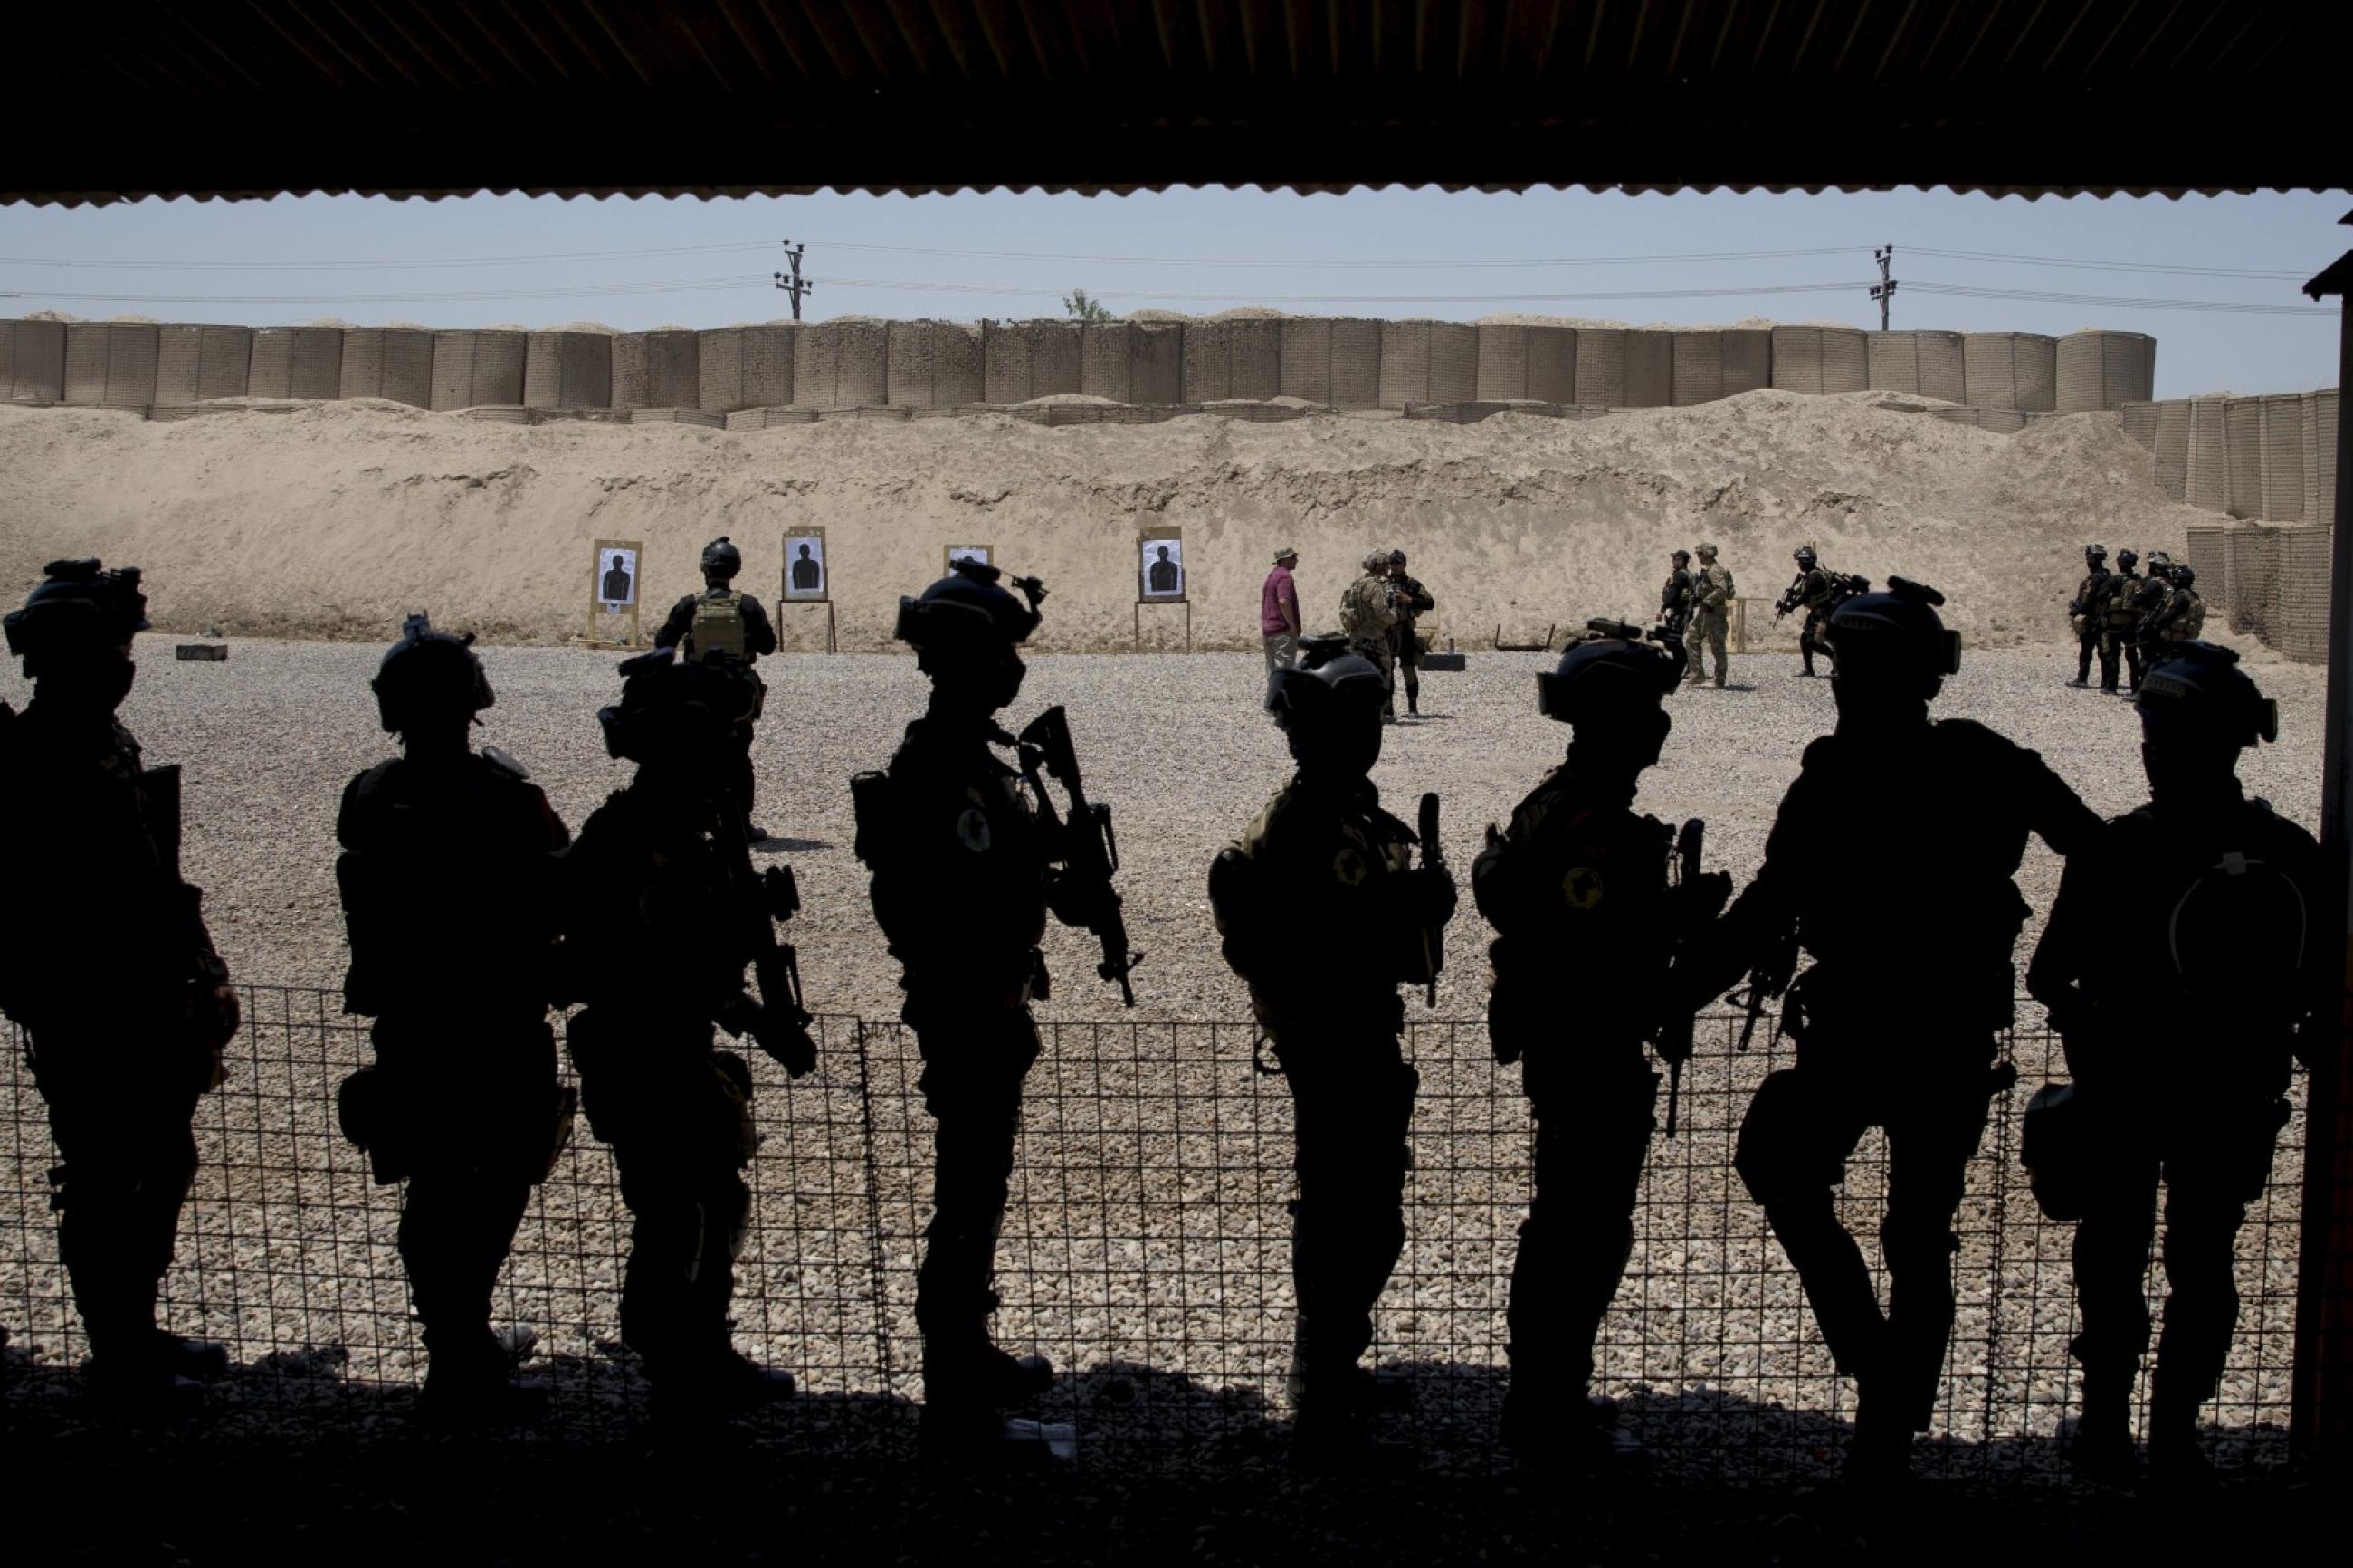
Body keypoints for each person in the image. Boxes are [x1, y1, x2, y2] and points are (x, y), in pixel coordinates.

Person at [1682, 578, 2101, 1484]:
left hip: (1859, 1028)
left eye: (1847, 666)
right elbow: (2094, 850)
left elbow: (1767, 904)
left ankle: (1876, 1372)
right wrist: (2049, 962)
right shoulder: (1985, 758)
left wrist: (1676, 988)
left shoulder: (1833, 775)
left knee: (1783, 1166)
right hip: (1946, 1033)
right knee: (1917, 1236)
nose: (1837, 683)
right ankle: (1887, 1410)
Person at [2027, 641, 2325, 1485]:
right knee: (2205, 1263)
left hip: (2127, 1090)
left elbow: (2047, 972)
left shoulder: (2119, 848)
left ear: (2160, 744)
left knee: (2113, 1256)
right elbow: (2308, 985)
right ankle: (2176, 1433)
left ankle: (2107, 1430)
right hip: (2233, 1093)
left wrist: (2089, 1018)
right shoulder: (2290, 851)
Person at [1474, 622, 1727, 1468]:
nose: (1660, 729)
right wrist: (1680, 920)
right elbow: (1592, 949)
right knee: (1579, 1230)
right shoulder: (1590, 825)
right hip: (1586, 1050)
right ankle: (1547, 1408)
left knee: (1573, 1225)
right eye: (1649, 713)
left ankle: (1545, 1397)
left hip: (1574, 1044)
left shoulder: (1567, 803)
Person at [852, 557, 1084, 1452]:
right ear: (970, 658)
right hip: (966, 1008)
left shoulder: (971, 758)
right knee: (964, 1195)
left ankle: (969, 1347)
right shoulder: (943, 770)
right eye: (1000, 652)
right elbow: (938, 900)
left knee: (978, 1190)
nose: (1012, 669)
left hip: (988, 1000)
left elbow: (1002, 871)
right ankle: (954, 1397)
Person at [1208, 633, 1455, 1462]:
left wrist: (1410, 906)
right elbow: (1314, 944)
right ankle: (1320, 1384)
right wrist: (1403, 908)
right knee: (1348, 1211)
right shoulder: (1308, 826)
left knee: (1366, 1209)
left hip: (1351, 1036)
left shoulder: (1339, 813)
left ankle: (1333, 1365)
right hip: (1332, 1042)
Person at [0, 559, 241, 1407]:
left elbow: (154, 876)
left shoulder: (104, 741)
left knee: (161, 1161)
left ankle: (133, 1328)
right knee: (107, 1177)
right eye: (107, 644)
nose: (122, 660)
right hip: (87, 1003)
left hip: (140, 995)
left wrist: (200, 968)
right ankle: (118, 1353)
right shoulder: (37, 757)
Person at [557, 651, 805, 1424]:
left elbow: (701, 964)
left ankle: (700, 1351)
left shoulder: (682, 832)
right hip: (641, 1050)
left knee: (712, 1198)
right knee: (677, 1211)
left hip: (673, 1043)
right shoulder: (631, 838)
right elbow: (656, 962)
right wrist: (754, 1010)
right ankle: (674, 1364)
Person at [335, 615, 573, 1422]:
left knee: (436, 1190)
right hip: (495, 1028)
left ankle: (455, 1343)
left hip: (412, 1027)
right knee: (492, 1186)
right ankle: (463, 1356)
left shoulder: (368, 795)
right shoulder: (508, 799)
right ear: (472, 702)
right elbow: (558, 889)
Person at [654, 537, 779, 840]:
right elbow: (768, 646)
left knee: (693, 757)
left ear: (705, 569)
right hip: (735, 694)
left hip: (697, 693)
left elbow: (663, 643)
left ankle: (694, 823)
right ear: (734, 569)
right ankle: (742, 824)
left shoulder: (689, 605)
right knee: (738, 757)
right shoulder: (748, 605)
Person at [1340, 550, 1401, 722]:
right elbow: (1382, 611)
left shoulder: (1355, 584)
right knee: (1383, 673)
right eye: (1385, 565)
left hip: (1356, 636)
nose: (1388, 568)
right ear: (1379, 566)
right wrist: (1394, 615)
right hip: (1375, 638)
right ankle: (1379, 714)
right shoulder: (1374, 586)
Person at [1777, 546, 1841, 678]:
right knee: (1805, 638)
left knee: (1812, 640)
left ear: (1806, 562)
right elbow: (1802, 593)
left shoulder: (1815, 577)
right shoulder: (1811, 575)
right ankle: (1809, 670)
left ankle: (1835, 658)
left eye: (1800, 562)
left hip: (1823, 612)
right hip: (1818, 611)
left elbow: (1805, 596)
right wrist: (1790, 598)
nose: (1799, 564)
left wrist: (1791, 606)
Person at [1386, 548, 1436, 717]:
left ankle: (1412, 706)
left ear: (1405, 564)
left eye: (1398, 562)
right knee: (1387, 669)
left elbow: (1429, 602)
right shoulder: (1383, 583)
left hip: (1406, 631)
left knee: (1408, 669)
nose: (1394, 566)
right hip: (1388, 632)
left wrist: (1410, 600)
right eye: (1392, 563)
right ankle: (1388, 708)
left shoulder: (1412, 584)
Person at [1687, 543, 1735, 689]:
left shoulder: (1715, 570)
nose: (1698, 557)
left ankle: (1719, 680)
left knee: (1717, 646)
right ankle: (1697, 676)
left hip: (1714, 612)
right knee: (1692, 638)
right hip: (1704, 612)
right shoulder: (1706, 571)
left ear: (1706, 554)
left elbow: (1721, 590)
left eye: (1700, 554)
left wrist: (1707, 602)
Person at [2067, 545, 2115, 689]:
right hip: (2101, 618)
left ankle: (2083, 678)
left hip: (2093, 619)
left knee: (2087, 650)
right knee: (2102, 651)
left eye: (2089, 558)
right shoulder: (2106, 575)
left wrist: (2077, 611)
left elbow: (2090, 599)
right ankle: (2105, 681)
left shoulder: (2095, 578)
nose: (2087, 561)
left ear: (2094, 559)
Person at [2101, 548, 2146, 695]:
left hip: (2115, 623)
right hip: (2133, 622)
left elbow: (2101, 594)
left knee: (2113, 655)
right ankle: (2135, 688)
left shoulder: (2116, 580)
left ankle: (2111, 686)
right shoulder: (2138, 580)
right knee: (2132, 656)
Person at [2129, 553, 2177, 686]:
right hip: (2165, 625)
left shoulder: (2153, 583)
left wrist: (2139, 589)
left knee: (2146, 660)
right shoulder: (2171, 582)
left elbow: (2136, 601)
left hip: (2151, 626)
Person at [2142, 564, 2207, 659]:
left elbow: (2169, 616)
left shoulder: (2181, 597)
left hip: (2174, 640)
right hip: (2187, 638)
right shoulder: (2193, 595)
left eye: (2175, 579)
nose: (2173, 581)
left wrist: (2153, 624)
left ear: (2179, 581)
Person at [1262, 546, 1303, 672]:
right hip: (1282, 630)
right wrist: (1292, 625)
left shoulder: (1272, 576)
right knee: (1285, 671)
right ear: (1285, 560)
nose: (1296, 560)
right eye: (1293, 557)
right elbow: (1283, 601)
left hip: (1268, 629)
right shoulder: (1285, 576)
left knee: (1272, 670)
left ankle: (1273, 692)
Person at [1657, 550, 1694, 642]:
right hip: (1684, 613)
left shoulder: (1679, 575)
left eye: (1675, 559)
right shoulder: (1688, 574)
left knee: (1673, 642)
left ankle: (1682, 657)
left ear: (1681, 560)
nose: (1672, 561)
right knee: (1676, 640)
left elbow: (1672, 596)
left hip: (1678, 613)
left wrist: (1662, 611)